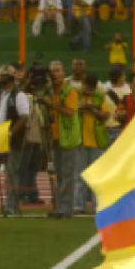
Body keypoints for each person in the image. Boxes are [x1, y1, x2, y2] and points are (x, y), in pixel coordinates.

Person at [0, 65, 30, 216]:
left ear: (7, 78)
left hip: (11, 139)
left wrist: (10, 133)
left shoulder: (19, 95)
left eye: (0, 76)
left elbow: (24, 117)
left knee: (11, 172)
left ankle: (11, 205)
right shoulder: (0, 94)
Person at [44, 61, 81, 218]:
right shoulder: (50, 91)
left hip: (68, 138)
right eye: (52, 71)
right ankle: (61, 207)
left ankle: (65, 208)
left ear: (63, 72)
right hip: (56, 138)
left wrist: (52, 104)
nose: (55, 74)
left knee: (67, 175)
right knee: (59, 174)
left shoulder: (69, 91)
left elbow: (70, 112)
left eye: (57, 70)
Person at [73, 74, 112, 214]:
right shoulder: (75, 96)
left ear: (94, 87)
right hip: (79, 140)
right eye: (85, 86)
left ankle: (98, 205)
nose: (87, 89)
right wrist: (83, 107)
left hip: (96, 141)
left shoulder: (100, 98)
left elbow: (106, 115)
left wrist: (92, 109)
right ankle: (78, 205)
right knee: (79, 175)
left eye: (90, 88)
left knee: (96, 175)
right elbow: (72, 110)